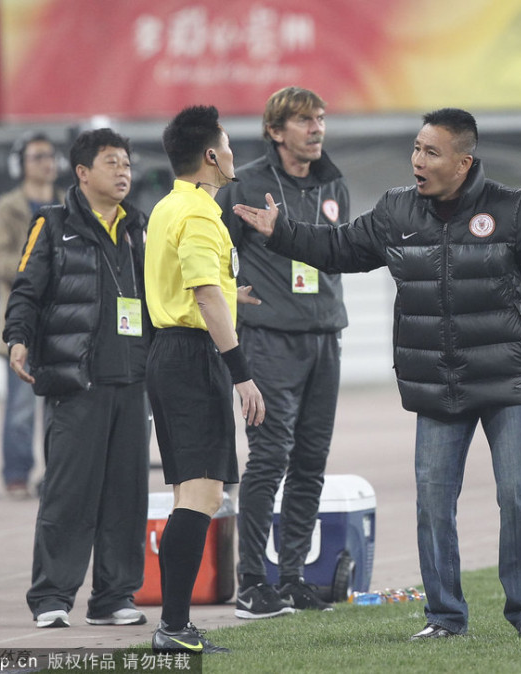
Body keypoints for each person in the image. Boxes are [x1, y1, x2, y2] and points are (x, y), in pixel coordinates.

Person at [232, 108, 521, 640]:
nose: (417, 160)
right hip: (434, 384)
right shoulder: (396, 210)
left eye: (431, 152)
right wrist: (282, 232)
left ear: (463, 162)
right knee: (434, 504)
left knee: (519, 496)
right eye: (416, 149)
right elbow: (339, 248)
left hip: (505, 378)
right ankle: (444, 616)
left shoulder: (512, 209)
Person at [3, 128, 151, 629]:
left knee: (126, 496)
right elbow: (25, 290)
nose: (124, 171)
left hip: (132, 383)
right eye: (112, 162)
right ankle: (51, 598)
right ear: (83, 173)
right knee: (69, 495)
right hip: (75, 382)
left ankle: (113, 597)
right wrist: (17, 337)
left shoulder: (141, 228)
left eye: (127, 163)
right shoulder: (51, 225)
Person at [217, 86, 350, 617]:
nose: (316, 128)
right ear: (275, 131)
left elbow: (343, 251)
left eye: (320, 118)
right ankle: (252, 581)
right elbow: (215, 257)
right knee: (269, 458)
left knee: (311, 463)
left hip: (325, 337)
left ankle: (292, 577)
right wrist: (230, 304)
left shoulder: (334, 182)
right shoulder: (244, 183)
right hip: (269, 339)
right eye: (303, 121)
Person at [144, 105, 267, 654]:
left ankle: (175, 627)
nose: (234, 153)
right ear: (212, 156)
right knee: (201, 495)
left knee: (191, 496)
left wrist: (229, 297)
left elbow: (198, 286)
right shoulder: (197, 214)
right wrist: (242, 375)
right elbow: (201, 295)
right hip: (192, 358)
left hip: (172, 353)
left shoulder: (170, 207)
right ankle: (172, 628)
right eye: (228, 144)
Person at [0, 132, 64, 499]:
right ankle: (16, 474)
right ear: (21, 164)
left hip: (62, 322)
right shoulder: (8, 207)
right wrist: (33, 269)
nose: (47, 162)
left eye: (50, 155)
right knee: (20, 409)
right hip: (21, 321)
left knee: (59, 408)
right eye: (38, 156)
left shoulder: (68, 203)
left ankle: (55, 476)